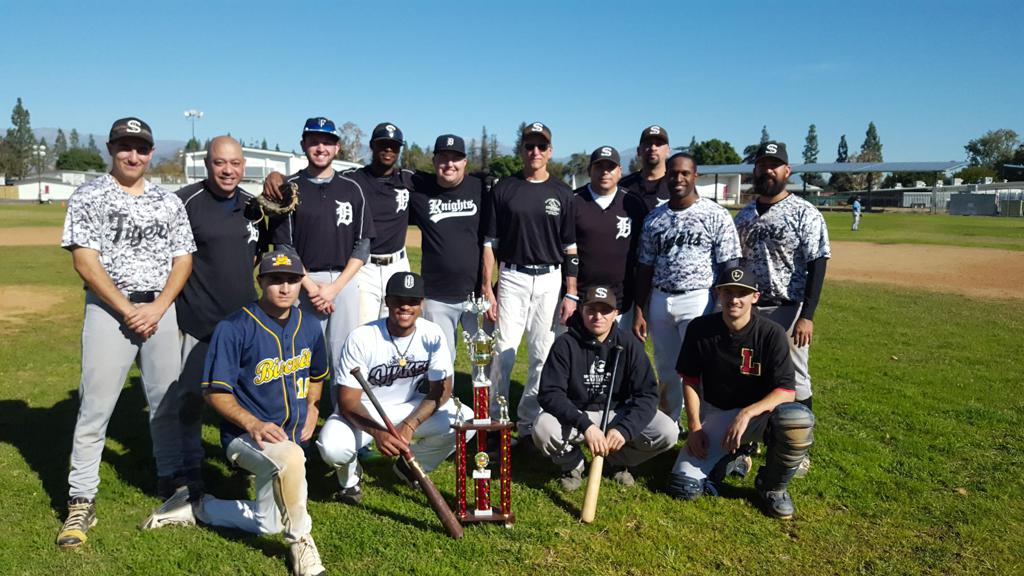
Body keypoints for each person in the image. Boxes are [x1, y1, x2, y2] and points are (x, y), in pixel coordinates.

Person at [142, 249, 329, 576]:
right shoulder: (234, 327)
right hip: (245, 438)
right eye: (275, 280)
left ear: (301, 283)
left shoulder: (310, 326)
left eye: (291, 280)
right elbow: (214, 392)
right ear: (260, 282)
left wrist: (313, 406)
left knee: (268, 522)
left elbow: (316, 376)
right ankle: (301, 543)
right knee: (291, 460)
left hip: (289, 436)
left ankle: (199, 508)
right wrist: (252, 423)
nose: (284, 288)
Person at [56, 117, 196, 548]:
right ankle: (82, 499)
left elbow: (183, 258)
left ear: (151, 153)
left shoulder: (167, 201)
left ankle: (170, 484)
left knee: (165, 403)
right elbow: (85, 260)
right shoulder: (89, 195)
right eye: (125, 147)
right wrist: (126, 309)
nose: (133, 155)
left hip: (159, 309)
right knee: (95, 408)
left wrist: (157, 307)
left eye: (141, 148)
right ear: (111, 149)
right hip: (108, 310)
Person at [666, 265, 815, 520]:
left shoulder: (771, 333)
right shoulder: (700, 329)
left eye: (742, 293)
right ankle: (732, 458)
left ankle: (773, 487)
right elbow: (689, 380)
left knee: (796, 419)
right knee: (684, 487)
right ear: (718, 294)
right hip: (717, 413)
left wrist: (747, 414)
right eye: (728, 292)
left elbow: (786, 391)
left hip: (758, 417)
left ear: (755, 297)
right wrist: (695, 428)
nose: (734, 299)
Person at [316, 272, 474, 504]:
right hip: (364, 411)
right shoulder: (362, 337)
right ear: (387, 301)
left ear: (422, 304)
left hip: (408, 407)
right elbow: (348, 401)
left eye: (412, 301)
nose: (405, 306)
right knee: (332, 448)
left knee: (465, 421)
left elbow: (442, 390)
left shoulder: (432, 334)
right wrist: (379, 433)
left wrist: (409, 425)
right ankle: (349, 480)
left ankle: (409, 468)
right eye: (398, 300)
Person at [173, 135, 264, 497]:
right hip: (197, 319)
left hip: (243, 323)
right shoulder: (185, 202)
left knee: (242, 399)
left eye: (235, 163)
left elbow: (259, 255)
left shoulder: (252, 206)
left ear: (243, 165)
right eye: (219, 163)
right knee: (191, 398)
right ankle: (189, 466)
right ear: (207, 163)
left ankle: (241, 461)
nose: (228, 170)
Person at [733, 141, 830, 477]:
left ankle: (797, 447)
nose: (767, 170)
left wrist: (808, 315)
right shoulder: (744, 215)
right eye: (762, 165)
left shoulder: (805, 212)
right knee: (748, 376)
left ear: (787, 171)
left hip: (790, 309)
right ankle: (746, 445)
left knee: (796, 380)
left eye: (775, 165)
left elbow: (818, 263)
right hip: (751, 309)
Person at [481, 122, 577, 439]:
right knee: (503, 352)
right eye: (529, 146)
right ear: (521, 150)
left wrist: (571, 292)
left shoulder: (563, 193)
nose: (534, 151)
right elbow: (489, 244)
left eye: (541, 146)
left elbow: (570, 248)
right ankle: (496, 420)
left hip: (551, 279)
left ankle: (527, 420)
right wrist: (487, 288)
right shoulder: (504, 188)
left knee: (542, 354)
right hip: (512, 277)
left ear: (550, 151)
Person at [632, 152, 741, 423]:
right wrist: (639, 309)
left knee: (702, 368)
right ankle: (667, 428)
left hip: (699, 298)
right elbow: (645, 267)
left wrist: (723, 306)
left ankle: (706, 427)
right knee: (667, 369)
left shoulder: (715, 214)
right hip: (660, 298)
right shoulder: (655, 218)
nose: (678, 178)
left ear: (695, 176)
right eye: (673, 173)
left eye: (684, 173)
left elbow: (730, 265)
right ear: (666, 176)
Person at [268, 117, 375, 390]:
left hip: (344, 281)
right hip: (300, 282)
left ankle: (344, 418)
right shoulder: (288, 188)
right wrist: (314, 289)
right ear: (303, 145)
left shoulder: (353, 189)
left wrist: (334, 288)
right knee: (298, 355)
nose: (320, 148)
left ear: (337, 148)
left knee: (345, 355)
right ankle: (297, 419)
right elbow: (284, 247)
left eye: (327, 142)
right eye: (314, 141)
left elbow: (362, 246)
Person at [535, 286, 678, 490]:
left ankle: (617, 461)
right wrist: (586, 425)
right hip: (578, 416)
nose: (598, 316)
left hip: (616, 414)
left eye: (605, 311)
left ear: (616, 314)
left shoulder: (629, 344)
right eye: (591, 310)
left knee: (668, 432)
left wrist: (624, 430)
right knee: (542, 428)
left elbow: (647, 395)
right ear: (581, 310)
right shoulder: (564, 344)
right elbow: (550, 394)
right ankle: (573, 464)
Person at [409, 133, 487, 361]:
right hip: (436, 295)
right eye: (443, 158)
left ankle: (485, 398)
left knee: (483, 359)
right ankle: (442, 398)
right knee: (439, 358)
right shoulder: (419, 192)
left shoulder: (481, 188)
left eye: (456, 158)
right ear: (434, 161)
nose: (449, 164)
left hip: (476, 295)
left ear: (465, 162)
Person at [343, 122, 416, 324]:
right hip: (363, 266)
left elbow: (445, 181)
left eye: (394, 146)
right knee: (361, 328)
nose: (388, 150)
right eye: (383, 144)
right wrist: (278, 176)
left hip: (398, 263)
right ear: (372, 146)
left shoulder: (408, 179)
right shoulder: (352, 179)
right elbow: (318, 179)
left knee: (396, 327)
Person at [571, 146, 648, 335]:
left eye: (610, 167)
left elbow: (643, 254)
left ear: (620, 171)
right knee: (576, 357)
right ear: (589, 171)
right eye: (599, 167)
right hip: (580, 299)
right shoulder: (573, 201)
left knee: (617, 359)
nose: (605, 172)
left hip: (621, 301)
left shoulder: (633, 203)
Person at [619, 125, 672, 211]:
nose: (653, 148)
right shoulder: (623, 186)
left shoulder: (676, 184)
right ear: (638, 151)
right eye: (648, 143)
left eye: (659, 144)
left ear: (668, 151)